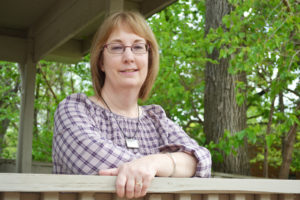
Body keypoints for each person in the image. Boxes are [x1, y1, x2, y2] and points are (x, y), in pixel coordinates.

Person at [53, 11, 211, 199]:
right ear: (101, 61)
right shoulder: (75, 110)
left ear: (149, 58)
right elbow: (97, 162)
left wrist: (153, 164)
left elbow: (202, 161)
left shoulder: (156, 120)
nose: (129, 57)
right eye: (117, 48)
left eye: (138, 47)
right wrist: (170, 166)